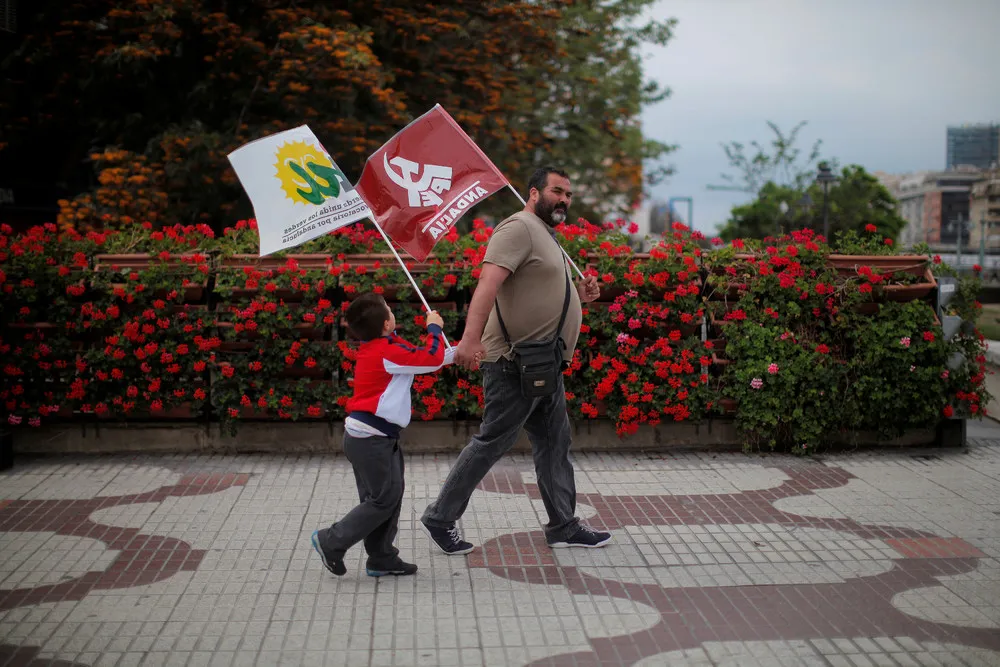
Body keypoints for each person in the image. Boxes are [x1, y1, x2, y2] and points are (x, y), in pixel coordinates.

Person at [420, 166, 611, 554]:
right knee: (493, 441)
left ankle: (563, 525)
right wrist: (469, 340)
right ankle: (440, 517)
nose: (564, 200)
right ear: (534, 193)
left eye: (569, 195)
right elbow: (488, 283)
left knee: (555, 444)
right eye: (557, 191)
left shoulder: (545, 235)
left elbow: (538, 290)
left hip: (543, 362)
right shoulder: (518, 228)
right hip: (513, 362)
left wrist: (581, 294)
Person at [312, 292, 452, 577]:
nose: (392, 310)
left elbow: (426, 360)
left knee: (387, 496)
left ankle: (381, 557)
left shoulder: (384, 346)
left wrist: (459, 352)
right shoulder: (385, 351)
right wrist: (434, 328)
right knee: (383, 499)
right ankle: (332, 540)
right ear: (387, 323)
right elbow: (429, 357)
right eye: (389, 308)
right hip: (371, 439)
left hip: (373, 438)